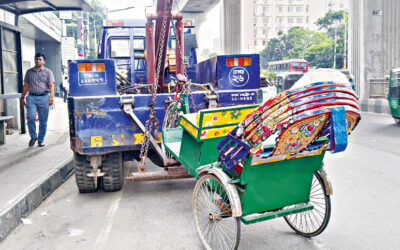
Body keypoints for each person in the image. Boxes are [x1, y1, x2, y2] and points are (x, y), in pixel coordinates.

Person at [20, 53, 55, 147]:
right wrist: (22, 97)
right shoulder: (29, 72)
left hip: (44, 97)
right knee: (30, 117)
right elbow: (26, 85)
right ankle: (33, 136)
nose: (37, 61)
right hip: (31, 97)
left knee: (43, 121)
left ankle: (40, 139)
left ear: (44, 61)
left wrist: (51, 97)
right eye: (36, 59)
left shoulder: (48, 72)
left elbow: (51, 85)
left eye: (40, 59)